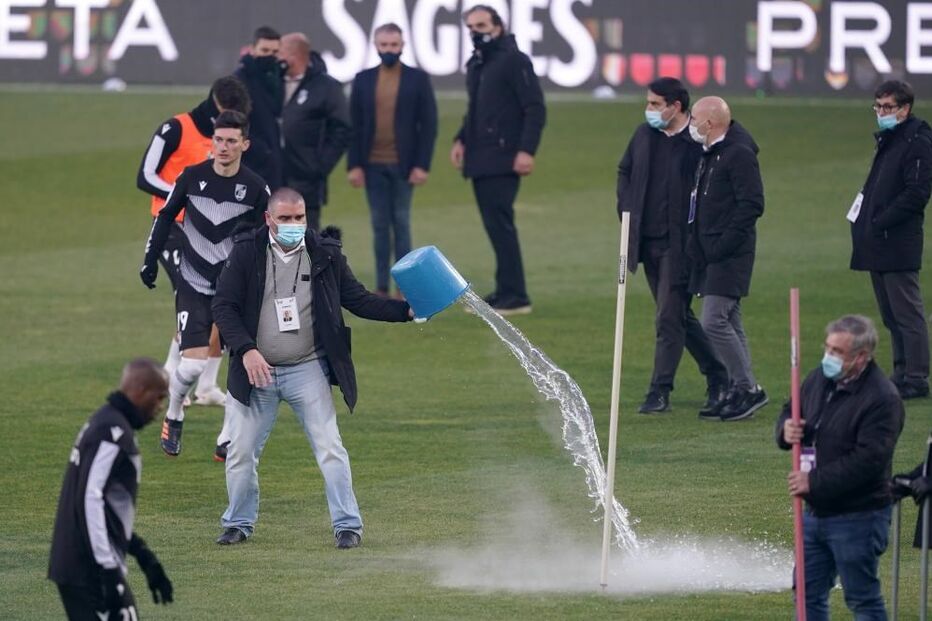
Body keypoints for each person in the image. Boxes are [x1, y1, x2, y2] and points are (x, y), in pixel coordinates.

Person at [211, 188, 412, 548]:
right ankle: (238, 522)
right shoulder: (245, 253)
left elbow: (360, 300)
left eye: (299, 218)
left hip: (307, 368)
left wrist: (406, 312)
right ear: (268, 220)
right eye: (285, 219)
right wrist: (246, 350)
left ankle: (348, 525)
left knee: (330, 447)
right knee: (240, 451)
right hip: (257, 371)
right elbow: (223, 307)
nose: (294, 225)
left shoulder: (326, 255)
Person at [140, 110, 270, 458]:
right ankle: (174, 411)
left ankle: (226, 437)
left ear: (245, 144)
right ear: (211, 142)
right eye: (218, 140)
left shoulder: (256, 188)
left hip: (234, 291)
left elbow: (267, 238)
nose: (223, 147)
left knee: (242, 366)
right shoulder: (191, 176)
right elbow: (165, 216)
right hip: (193, 283)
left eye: (231, 141)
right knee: (193, 365)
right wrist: (150, 261)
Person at [777, 315, 904, 620]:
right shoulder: (819, 378)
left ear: (861, 357)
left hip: (858, 516)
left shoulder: (883, 399)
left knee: (861, 598)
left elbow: (869, 461)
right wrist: (786, 429)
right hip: (815, 513)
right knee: (807, 596)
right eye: (828, 347)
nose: (828, 356)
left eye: (837, 351)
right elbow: (791, 408)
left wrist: (814, 482)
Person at [136, 75, 252, 408]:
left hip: (210, 232)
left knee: (221, 301)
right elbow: (144, 175)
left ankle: (205, 385)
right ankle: (171, 378)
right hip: (171, 227)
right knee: (194, 298)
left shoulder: (224, 143)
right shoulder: (175, 129)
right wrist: (181, 197)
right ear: (216, 106)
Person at [616, 77, 728, 414]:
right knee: (677, 315)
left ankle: (659, 390)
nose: (648, 110)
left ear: (675, 106)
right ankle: (719, 373)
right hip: (646, 242)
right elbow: (625, 171)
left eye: (654, 104)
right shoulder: (643, 136)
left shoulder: (695, 144)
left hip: (679, 247)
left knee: (668, 316)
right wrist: (626, 211)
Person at [48, 358, 174, 620]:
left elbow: (107, 510)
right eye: (159, 398)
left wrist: (143, 556)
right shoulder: (111, 431)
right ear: (139, 391)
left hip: (84, 563)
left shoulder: (108, 423)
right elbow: (89, 500)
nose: (160, 408)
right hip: (87, 568)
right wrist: (107, 571)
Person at [450, 4, 545, 316]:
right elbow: (476, 109)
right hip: (481, 156)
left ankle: (516, 294)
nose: (476, 32)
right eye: (471, 27)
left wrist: (526, 150)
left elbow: (534, 108)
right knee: (495, 225)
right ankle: (506, 289)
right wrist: (461, 138)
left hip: (502, 157)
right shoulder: (478, 64)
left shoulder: (515, 61)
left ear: (498, 25)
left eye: (481, 25)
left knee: (501, 224)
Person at [686, 96, 767, 421]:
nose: (691, 125)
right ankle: (741, 387)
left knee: (713, 320)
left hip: (730, 252)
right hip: (712, 250)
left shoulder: (737, 154)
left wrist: (722, 244)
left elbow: (752, 204)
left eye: (693, 119)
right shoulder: (713, 151)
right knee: (730, 320)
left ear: (710, 123)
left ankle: (747, 389)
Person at [850, 80, 932, 400]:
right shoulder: (893, 137)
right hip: (880, 238)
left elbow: (917, 193)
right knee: (890, 313)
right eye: (878, 106)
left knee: (907, 312)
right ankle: (902, 370)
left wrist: (880, 220)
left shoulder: (918, 141)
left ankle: (917, 375)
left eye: (887, 107)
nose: (881, 113)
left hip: (897, 239)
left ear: (905, 108)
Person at [347, 23, 438, 297]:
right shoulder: (362, 79)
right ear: (376, 46)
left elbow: (429, 125)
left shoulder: (417, 79)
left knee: (401, 224)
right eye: (384, 45)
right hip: (372, 164)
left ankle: (404, 285)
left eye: (393, 45)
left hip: (403, 164)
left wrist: (422, 165)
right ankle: (382, 286)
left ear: (402, 46)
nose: (389, 50)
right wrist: (354, 165)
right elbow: (354, 126)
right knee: (378, 226)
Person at [278, 32, 352, 233]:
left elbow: (342, 129)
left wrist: (319, 166)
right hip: (272, 177)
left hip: (306, 183)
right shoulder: (273, 82)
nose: (276, 58)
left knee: (306, 241)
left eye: (280, 53)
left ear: (293, 56)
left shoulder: (326, 87)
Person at [235, 25, 285, 191]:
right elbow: (235, 123)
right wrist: (261, 150)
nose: (269, 56)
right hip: (250, 164)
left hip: (274, 166)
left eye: (274, 52)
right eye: (264, 50)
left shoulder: (278, 77)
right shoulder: (239, 81)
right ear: (252, 49)